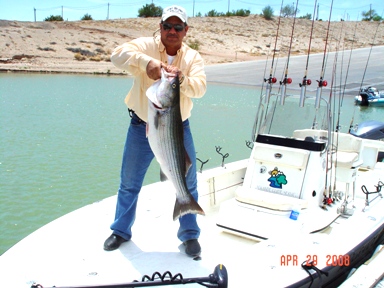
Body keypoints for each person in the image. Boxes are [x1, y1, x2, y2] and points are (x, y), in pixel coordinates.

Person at [104, 5, 207, 256]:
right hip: (141, 125)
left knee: (187, 181)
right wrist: (146, 62)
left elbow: (200, 88)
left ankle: (190, 235)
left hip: (177, 128)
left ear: (186, 31)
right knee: (129, 183)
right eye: (167, 26)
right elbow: (117, 55)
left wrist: (179, 80)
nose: (172, 31)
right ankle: (120, 230)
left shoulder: (193, 58)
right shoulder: (145, 46)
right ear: (160, 27)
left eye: (178, 27)